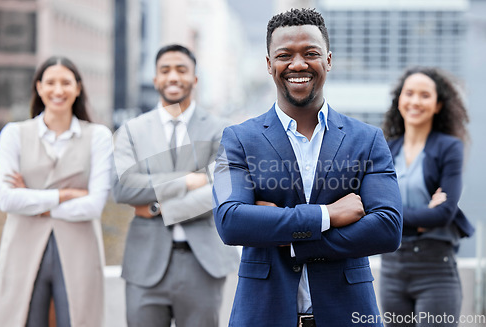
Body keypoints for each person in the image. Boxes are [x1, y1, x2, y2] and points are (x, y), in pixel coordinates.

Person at [212, 8, 403, 327]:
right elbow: (230, 221)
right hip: (263, 314)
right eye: (285, 55)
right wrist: (327, 216)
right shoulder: (237, 140)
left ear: (328, 60)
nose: (298, 64)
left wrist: (289, 237)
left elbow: (387, 227)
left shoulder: (367, 139)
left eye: (310, 53)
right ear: (269, 64)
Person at [112, 44, 240, 327]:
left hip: (203, 264)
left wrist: (157, 206)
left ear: (194, 79)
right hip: (144, 264)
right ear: (155, 79)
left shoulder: (221, 130)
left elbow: (223, 192)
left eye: (181, 70)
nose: (173, 77)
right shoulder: (131, 131)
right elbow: (122, 188)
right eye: (165, 70)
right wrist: (186, 180)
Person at [0, 56, 112, 327]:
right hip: (21, 248)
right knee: (20, 319)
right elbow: (7, 199)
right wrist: (66, 194)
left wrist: (33, 201)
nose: (58, 90)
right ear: (39, 87)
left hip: (80, 247)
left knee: (80, 318)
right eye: (51, 83)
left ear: (78, 88)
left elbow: (94, 205)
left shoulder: (99, 136)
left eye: (66, 83)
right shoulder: (13, 133)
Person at [379, 67, 474, 327]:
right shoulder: (385, 148)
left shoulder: (449, 147)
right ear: (399, 100)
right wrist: (420, 218)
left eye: (425, 95)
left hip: (435, 269)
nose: (415, 101)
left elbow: (443, 213)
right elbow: (373, 209)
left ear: (438, 104)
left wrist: (394, 217)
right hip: (391, 268)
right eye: (409, 93)